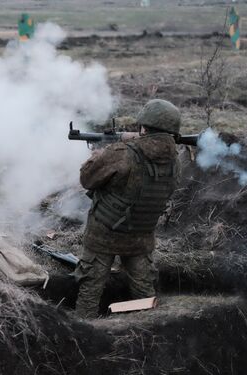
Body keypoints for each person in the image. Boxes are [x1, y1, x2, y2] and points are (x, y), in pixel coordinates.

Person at [74, 99, 181, 319]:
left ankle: (84, 338)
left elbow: (87, 179)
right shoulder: (175, 160)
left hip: (104, 234)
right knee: (144, 296)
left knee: (90, 293)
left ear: (144, 127)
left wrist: (99, 154)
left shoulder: (122, 152)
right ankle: (145, 336)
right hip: (140, 238)